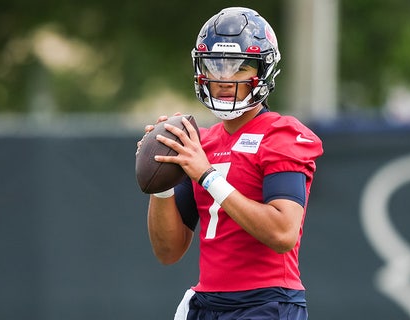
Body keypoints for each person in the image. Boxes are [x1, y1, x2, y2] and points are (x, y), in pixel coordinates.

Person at [138, 7, 323, 320]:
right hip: (207, 305)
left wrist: (207, 176)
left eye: (239, 67)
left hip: (265, 302)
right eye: (214, 65)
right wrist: (161, 179)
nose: (224, 78)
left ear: (262, 71)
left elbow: (283, 233)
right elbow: (167, 251)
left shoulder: (282, 134)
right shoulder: (200, 143)